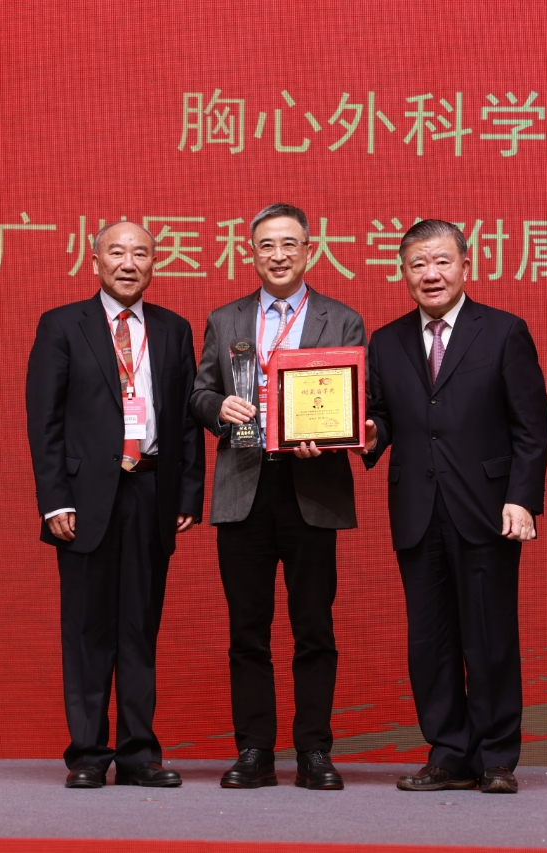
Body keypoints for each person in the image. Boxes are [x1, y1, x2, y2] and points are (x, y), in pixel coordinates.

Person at [362, 219, 547, 794]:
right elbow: (381, 415)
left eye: (441, 261)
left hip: (488, 509)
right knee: (431, 640)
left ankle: (496, 758)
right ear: (403, 273)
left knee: (489, 636)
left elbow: (531, 427)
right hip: (417, 509)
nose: (431, 274)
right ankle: (448, 754)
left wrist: (522, 499)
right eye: (418, 264)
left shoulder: (504, 331)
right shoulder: (386, 341)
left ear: (466, 265)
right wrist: (369, 434)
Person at [190, 203, 366, 790]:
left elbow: (356, 401)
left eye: (290, 244)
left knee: (314, 628)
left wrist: (331, 435)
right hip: (244, 485)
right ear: (252, 253)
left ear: (309, 250)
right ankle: (254, 750)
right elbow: (199, 392)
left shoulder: (343, 320)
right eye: (267, 245)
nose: (279, 255)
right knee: (248, 630)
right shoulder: (225, 319)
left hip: (312, 488)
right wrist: (218, 408)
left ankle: (314, 750)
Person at [25, 221, 204, 789]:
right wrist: (54, 499)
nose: (129, 263)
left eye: (141, 253)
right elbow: (44, 421)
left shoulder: (173, 329)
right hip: (84, 499)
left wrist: (187, 493)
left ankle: (138, 754)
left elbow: (185, 421)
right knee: (87, 631)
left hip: (151, 491)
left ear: (154, 263)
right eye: (117, 253)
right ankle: (87, 755)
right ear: (96, 260)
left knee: (139, 629)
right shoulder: (61, 325)